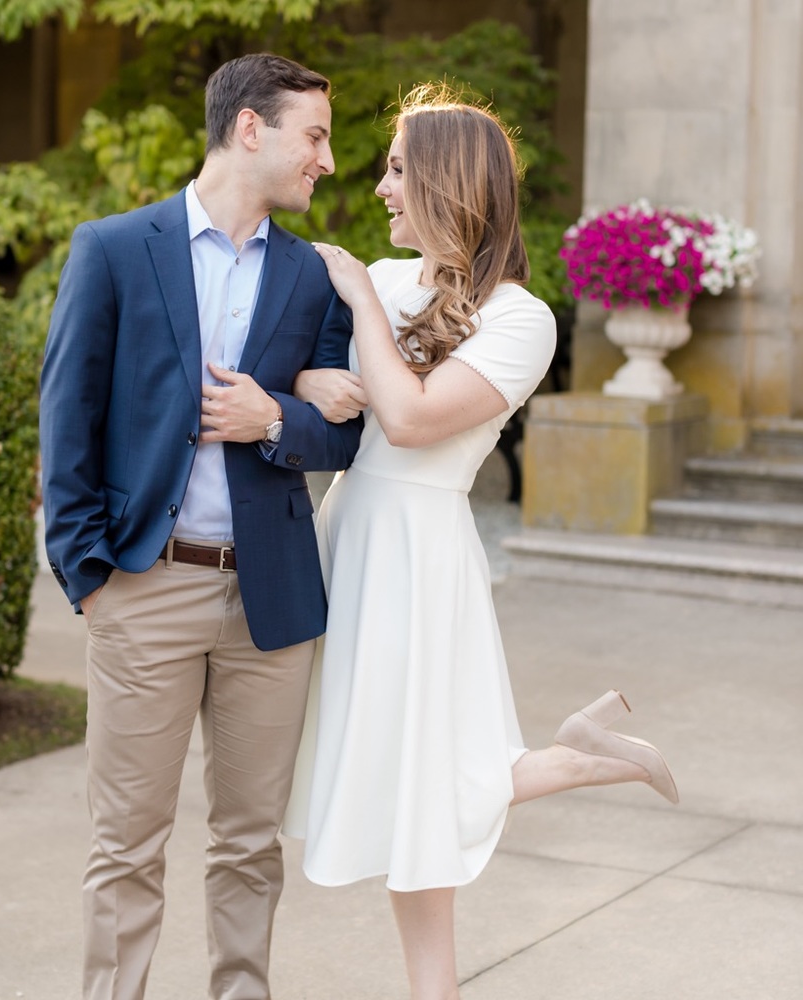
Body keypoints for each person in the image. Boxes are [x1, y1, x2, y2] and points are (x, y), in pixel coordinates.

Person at [284, 86, 679, 1000]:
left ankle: (439, 986)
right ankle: (574, 759)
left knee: (423, 780)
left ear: (443, 182)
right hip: (353, 533)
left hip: (422, 550)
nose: (379, 188)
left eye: (394, 169)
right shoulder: (382, 281)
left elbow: (416, 420)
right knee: (393, 776)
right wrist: (313, 370)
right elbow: (304, 377)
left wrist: (357, 305)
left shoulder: (520, 318)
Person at [39, 53, 363, 1000]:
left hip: (271, 603)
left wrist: (276, 417)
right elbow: (68, 419)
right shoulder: (113, 248)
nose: (329, 160)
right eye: (315, 135)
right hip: (146, 587)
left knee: (252, 844)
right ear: (250, 129)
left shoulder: (312, 277)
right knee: (127, 844)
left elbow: (341, 429)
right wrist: (90, 575)